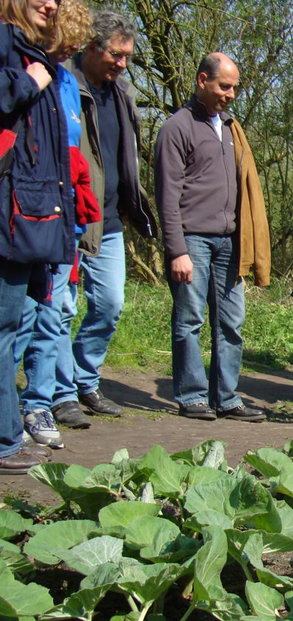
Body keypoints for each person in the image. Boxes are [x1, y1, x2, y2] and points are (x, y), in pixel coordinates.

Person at [154, 53, 270, 422]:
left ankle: (227, 397)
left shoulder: (231, 128)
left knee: (231, 322)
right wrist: (177, 250)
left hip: (229, 242)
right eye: (224, 86)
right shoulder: (177, 127)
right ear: (202, 80)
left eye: (234, 87)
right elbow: (167, 196)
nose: (231, 94)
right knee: (190, 320)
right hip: (192, 240)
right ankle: (192, 396)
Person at [56, 9, 156, 427]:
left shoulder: (123, 93)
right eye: (116, 55)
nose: (122, 63)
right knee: (60, 308)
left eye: (128, 56)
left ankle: (84, 378)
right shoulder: (64, 83)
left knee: (111, 304)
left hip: (110, 218)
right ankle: (61, 395)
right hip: (68, 215)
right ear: (90, 47)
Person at [13, 0, 97, 449]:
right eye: (62, 47)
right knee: (21, 316)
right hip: (27, 209)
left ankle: (38, 403)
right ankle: (13, 408)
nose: (66, 54)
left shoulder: (66, 82)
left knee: (55, 314)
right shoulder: (29, 69)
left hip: (63, 213)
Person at [1, 0, 74, 470]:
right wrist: (31, 81)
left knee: (15, 327)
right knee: (4, 329)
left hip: (33, 214)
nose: (50, 3)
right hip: (12, 212)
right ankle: (6, 438)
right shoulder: (8, 45)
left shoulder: (35, 53)